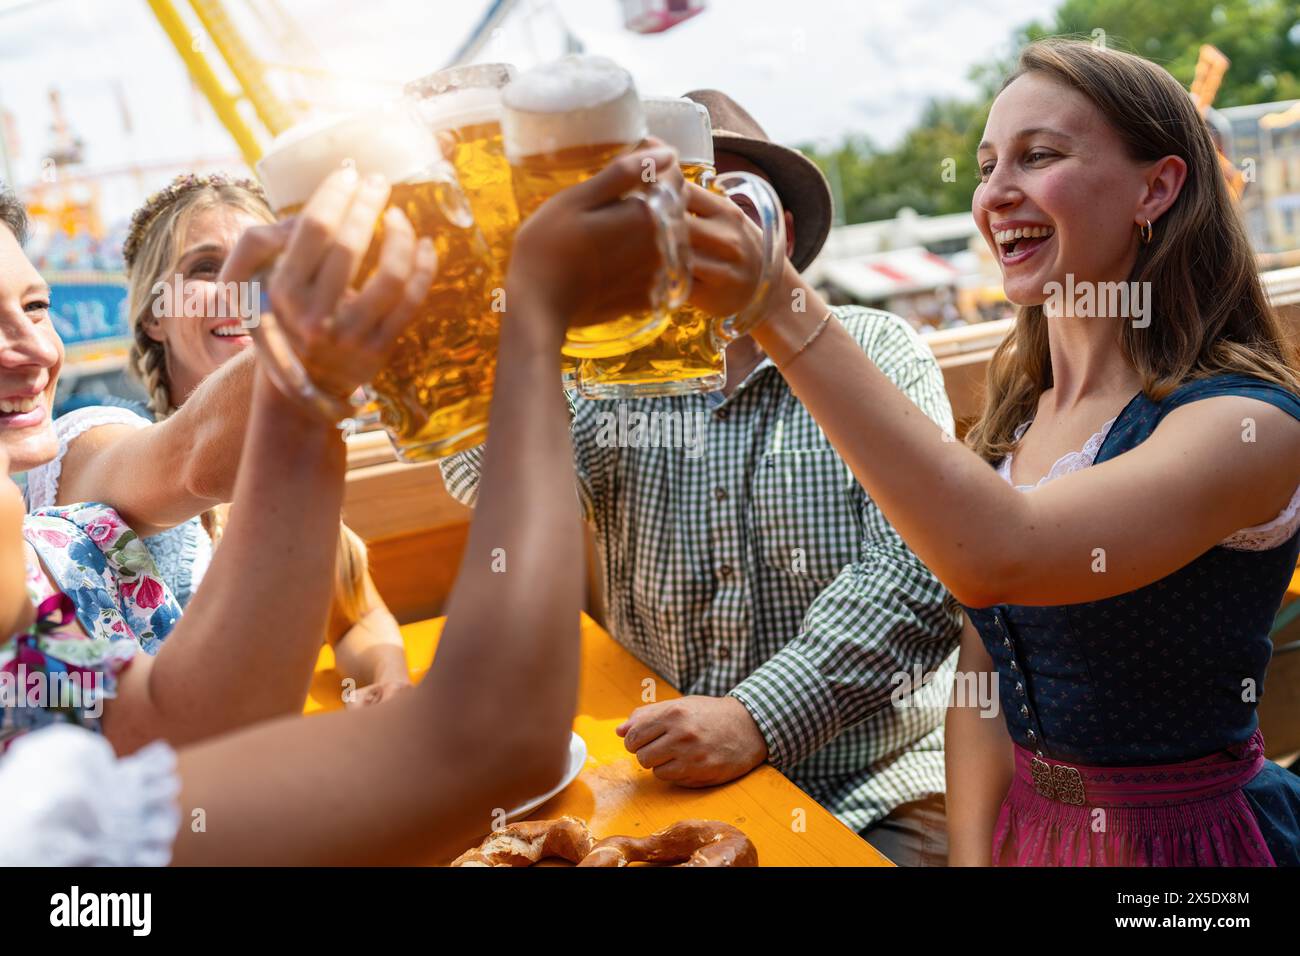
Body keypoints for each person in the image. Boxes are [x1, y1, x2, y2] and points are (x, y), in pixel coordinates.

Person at [686, 38, 1300, 866]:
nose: (994, 194)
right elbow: (982, 692)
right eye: (985, 167)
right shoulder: (1018, 416)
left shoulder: (1246, 424)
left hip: (1186, 853)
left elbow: (1002, 554)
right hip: (1031, 836)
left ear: (1156, 187)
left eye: (1038, 156)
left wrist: (776, 302)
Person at [0, 141, 684, 863]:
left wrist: (318, 365)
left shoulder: (47, 560)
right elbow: (492, 745)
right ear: (151, 315)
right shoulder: (81, 483)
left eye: (36, 305)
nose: (35, 349)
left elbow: (196, 733)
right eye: (206, 270)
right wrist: (525, 320)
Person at [441, 90, 962, 866]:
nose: (699, 225)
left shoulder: (879, 348)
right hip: (664, 792)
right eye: (672, 209)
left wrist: (756, 717)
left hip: (872, 786)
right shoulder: (602, 376)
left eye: (727, 200)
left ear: (774, 222)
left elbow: (919, 579)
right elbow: (503, 501)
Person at [23, 174, 408, 703]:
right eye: (206, 268)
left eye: (267, 268)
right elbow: (195, 463)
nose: (241, 288)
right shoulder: (93, 440)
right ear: (156, 315)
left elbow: (357, 615)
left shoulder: (291, 460)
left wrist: (387, 681)